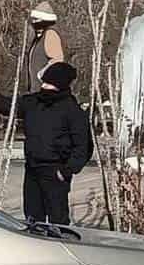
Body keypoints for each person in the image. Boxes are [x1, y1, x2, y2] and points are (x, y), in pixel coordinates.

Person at [10, 62, 91, 225]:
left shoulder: (71, 110)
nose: (45, 86)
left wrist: (67, 170)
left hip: (55, 172)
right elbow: (7, 105)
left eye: (48, 83)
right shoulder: (33, 103)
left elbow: (83, 147)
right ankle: (38, 248)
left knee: (58, 221)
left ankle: (58, 248)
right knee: (33, 220)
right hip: (33, 169)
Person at [26, 1, 65, 93]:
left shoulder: (50, 34)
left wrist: (41, 75)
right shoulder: (38, 38)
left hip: (46, 93)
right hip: (37, 91)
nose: (33, 22)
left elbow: (57, 60)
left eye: (36, 19)